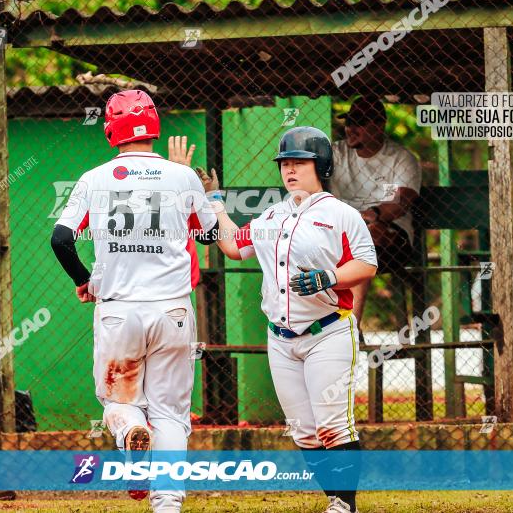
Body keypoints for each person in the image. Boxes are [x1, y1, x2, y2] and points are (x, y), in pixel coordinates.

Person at [171, 126, 377, 513]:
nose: (290, 170)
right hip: (281, 338)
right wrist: (213, 200)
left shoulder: (341, 214)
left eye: (300, 162)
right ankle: (333, 497)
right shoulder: (272, 215)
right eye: (285, 163)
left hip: (328, 330)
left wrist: (329, 277)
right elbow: (233, 246)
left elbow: (367, 264)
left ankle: (344, 504)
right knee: (304, 430)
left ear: (322, 166)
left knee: (333, 424)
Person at [50, 90, 218, 513]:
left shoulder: (95, 178)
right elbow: (211, 234)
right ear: (154, 128)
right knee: (172, 414)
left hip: (119, 311)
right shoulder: (184, 178)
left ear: (112, 129)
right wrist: (195, 190)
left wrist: (85, 280)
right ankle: (167, 505)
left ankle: (129, 435)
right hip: (174, 312)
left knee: (118, 404)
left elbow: (61, 239)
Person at [328, 95, 421, 324]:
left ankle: (350, 326)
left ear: (379, 125)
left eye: (359, 122)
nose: (351, 128)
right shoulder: (335, 154)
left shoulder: (400, 158)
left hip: (388, 238)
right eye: (349, 122)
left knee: (365, 238)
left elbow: (402, 200)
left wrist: (375, 215)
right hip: (338, 231)